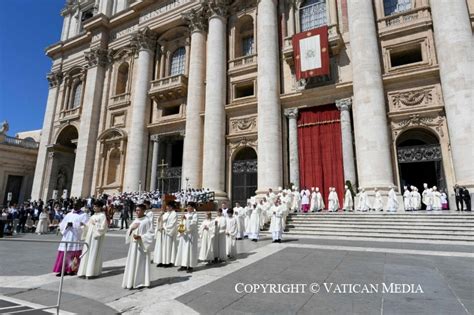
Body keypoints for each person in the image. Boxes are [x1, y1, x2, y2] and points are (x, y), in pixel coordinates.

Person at [122, 204, 155, 289]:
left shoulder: (147, 221)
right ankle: (130, 281)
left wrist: (141, 237)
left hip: (142, 246)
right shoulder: (135, 220)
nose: (137, 212)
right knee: (132, 262)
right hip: (133, 246)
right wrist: (131, 229)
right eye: (136, 210)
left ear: (144, 210)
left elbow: (151, 234)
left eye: (139, 210)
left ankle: (140, 282)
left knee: (140, 263)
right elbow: (129, 231)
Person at [52, 200, 88, 276]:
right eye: (74, 205)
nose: (74, 206)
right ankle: (62, 270)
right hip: (67, 235)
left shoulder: (84, 215)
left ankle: (72, 269)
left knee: (74, 253)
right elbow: (62, 224)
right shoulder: (68, 214)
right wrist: (66, 225)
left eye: (76, 205)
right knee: (64, 253)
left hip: (75, 236)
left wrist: (75, 225)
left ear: (80, 205)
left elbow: (85, 226)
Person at [78, 200, 108, 278]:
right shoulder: (93, 216)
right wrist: (84, 225)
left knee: (93, 253)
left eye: (96, 206)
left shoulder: (102, 216)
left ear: (100, 207)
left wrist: (95, 224)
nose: (94, 208)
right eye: (94, 206)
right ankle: (83, 271)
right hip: (89, 237)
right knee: (87, 252)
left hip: (96, 238)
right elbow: (88, 226)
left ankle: (91, 272)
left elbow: (103, 228)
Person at [175, 203, 198, 273]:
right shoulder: (186, 214)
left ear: (193, 207)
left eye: (189, 207)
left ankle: (190, 266)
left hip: (191, 235)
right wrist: (181, 230)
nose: (188, 208)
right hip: (184, 235)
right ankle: (183, 265)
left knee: (190, 250)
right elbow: (182, 223)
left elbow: (194, 224)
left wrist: (186, 220)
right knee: (183, 250)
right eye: (187, 206)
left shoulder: (195, 215)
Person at [162, 201, 178, 267]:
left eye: (168, 206)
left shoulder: (174, 214)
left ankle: (169, 261)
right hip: (165, 232)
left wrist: (165, 227)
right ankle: (165, 261)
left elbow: (173, 224)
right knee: (165, 247)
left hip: (169, 232)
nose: (167, 207)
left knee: (169, 247)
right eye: (166, 206)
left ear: (171, 207)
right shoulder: (167, 213)